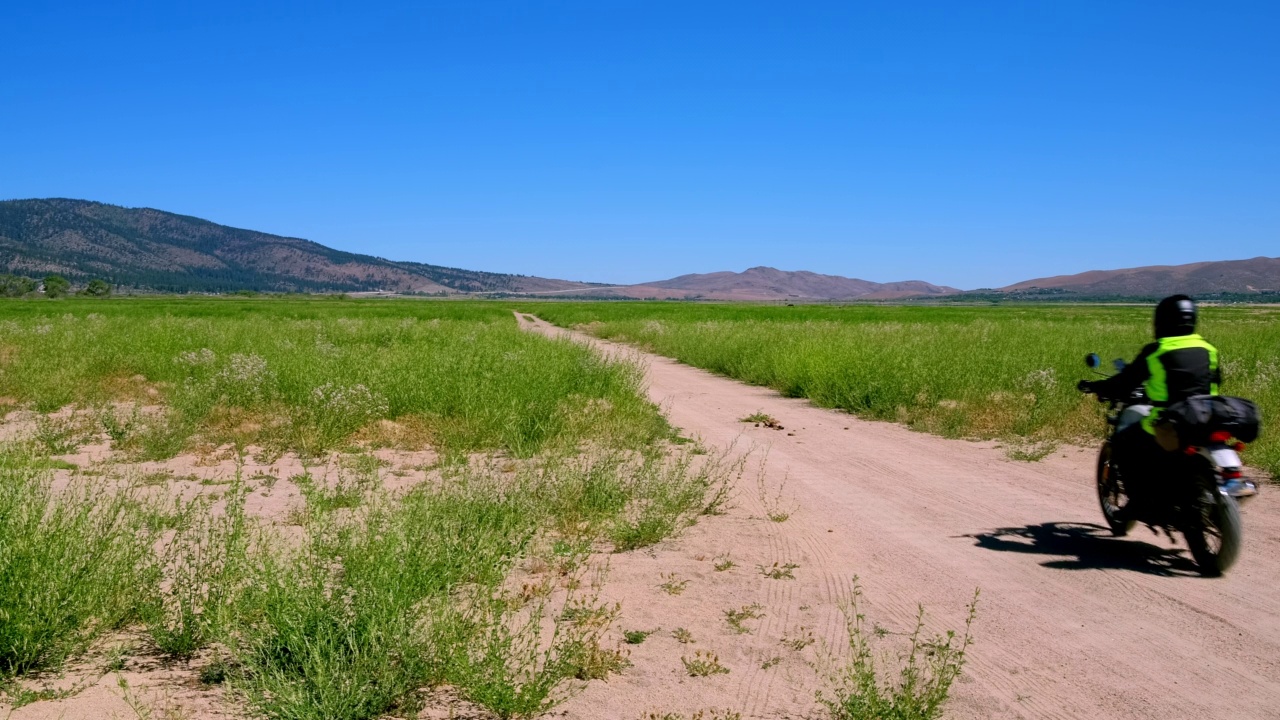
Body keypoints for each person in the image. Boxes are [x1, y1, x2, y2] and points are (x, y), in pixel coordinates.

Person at [1077, 295, 1221, 514]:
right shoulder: (1208, 348)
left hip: (1170, 420)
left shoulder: (1157, 351)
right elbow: (1216, 380)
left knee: (1125, 441)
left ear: (1162, 321)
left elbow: (1125, 383)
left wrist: (1098, 387)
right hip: (1207, 417)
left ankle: (1137, 502)